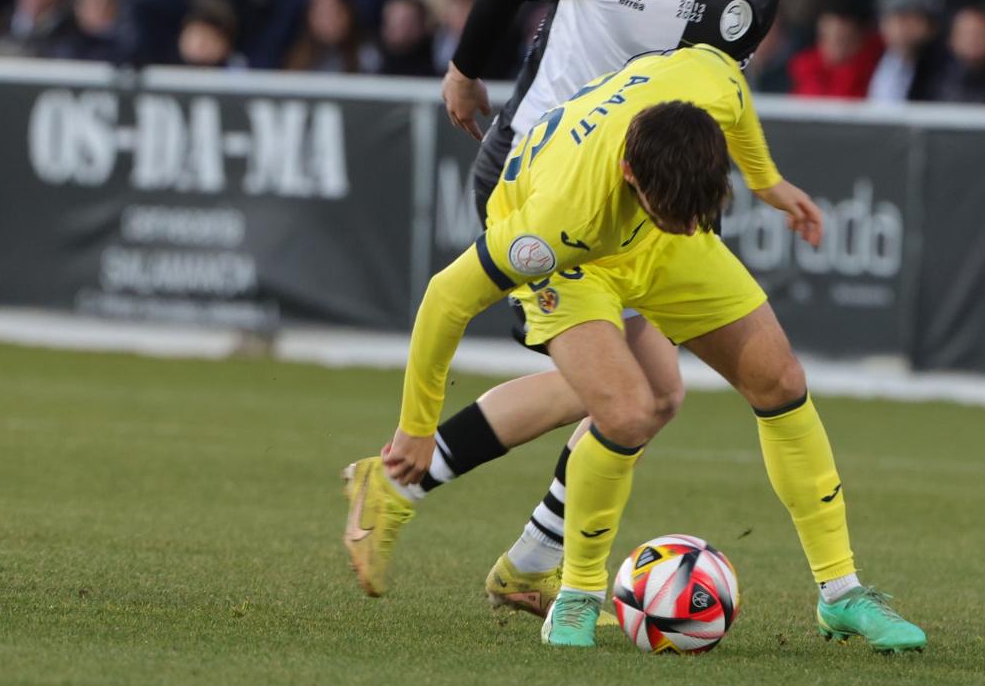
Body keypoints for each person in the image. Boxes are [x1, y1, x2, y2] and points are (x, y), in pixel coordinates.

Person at [343, 43, 927, 652]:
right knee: (625, 409)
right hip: (580, 265)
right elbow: (445, 300)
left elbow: (733, 91)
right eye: (671, 211)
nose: (686, 219)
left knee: (777, 381)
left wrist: (768, 182)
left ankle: (842, 594)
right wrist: (414, 427)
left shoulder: (705, 88)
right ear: (631, 176)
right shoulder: (554, 226)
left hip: (659, 247)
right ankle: (576, 596)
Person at [384, 0, 790, 620]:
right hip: (539, 182)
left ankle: (509, 550)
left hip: (630, 199)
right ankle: (474, 525)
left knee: (645, 396)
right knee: (628, 399)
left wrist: (758, 179)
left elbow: (716, 97)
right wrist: (465, 73)